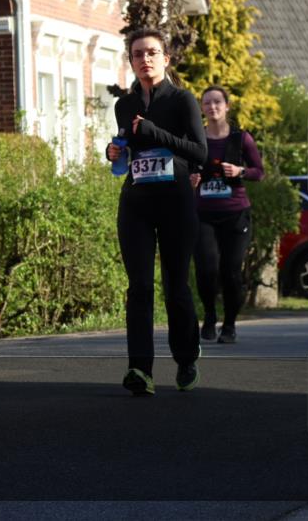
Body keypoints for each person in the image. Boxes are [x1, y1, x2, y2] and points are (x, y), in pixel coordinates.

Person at [106, 28, 207, 396]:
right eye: (137, 54)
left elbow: (199, 152)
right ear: (130, 61)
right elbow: (127, 147)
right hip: (136, 203)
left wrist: (154, 132)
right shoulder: (125, 105)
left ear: (165, 58)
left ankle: (185, 357)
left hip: (176, 202)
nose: (144, 60)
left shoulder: (183, 101)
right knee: (139, 287)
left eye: (151, 53)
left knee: (175, 286)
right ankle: (140, 369)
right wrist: (114, 152)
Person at [190, 86, 264, 344]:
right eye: (207, 103)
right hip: (203, 215)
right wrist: (191, 178)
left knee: (231, 272)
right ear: (202, 108)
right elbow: (184, 169)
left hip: (235, 214)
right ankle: (209, 317)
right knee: (206, 269)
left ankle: (230, 324)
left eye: (217, 102)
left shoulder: (241, 138)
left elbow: (259, 172)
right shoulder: (196, 138)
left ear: (227, 106)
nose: (212, 107)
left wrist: (240, 171)